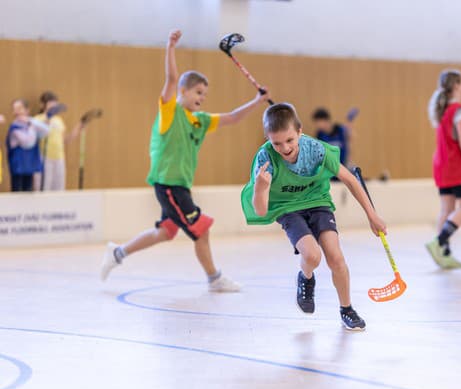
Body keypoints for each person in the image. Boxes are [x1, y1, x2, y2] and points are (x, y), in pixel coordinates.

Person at [100, 30, 270, 291]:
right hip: (168, 185)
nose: (201, 98)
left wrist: (257, 101)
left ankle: (117, 254)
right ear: (182, 90)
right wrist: (170, 46)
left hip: (179, 185)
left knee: (165, 232)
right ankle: (215, 278)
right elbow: (170, 78)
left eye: (204, 95)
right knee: (201, 229)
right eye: (198, 92)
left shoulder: (200, 120)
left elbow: (233, 117)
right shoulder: (170, 112)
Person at [241, 103, 386, 330]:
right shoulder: (265, 159)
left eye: (289, 140)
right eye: (276, 143)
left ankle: (346, 309)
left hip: (317, 202)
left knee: (336, 258)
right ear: (268, 138)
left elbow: (349, 178)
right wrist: (260, 188)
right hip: (287, 207)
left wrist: (372, 215)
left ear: (299, 131)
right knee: (313, 256)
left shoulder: (315, 149)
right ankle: (306, 278)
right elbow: (261, 210)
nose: (285, 148)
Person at [425, 69, 461, 269]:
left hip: (442, 166)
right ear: (456, 86)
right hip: (457, 167)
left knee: (447, 209)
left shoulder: (442, 112)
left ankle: (443, 253)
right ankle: (439, 242)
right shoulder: (459, 111)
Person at [34, 91, 85, 191]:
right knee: (45, 187)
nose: (53, 105)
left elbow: (65, 139)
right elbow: (38, 135)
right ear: (43, 104)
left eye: (55, 103)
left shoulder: (58, 120)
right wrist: (48, 117)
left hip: (59, 158)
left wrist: (78, 128)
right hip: (44, 158)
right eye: (50, 103)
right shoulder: (37, 119)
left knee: (59, 187)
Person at [5, 99, 50, 192]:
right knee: (17, 193)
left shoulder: (31, 123)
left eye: (20, 108)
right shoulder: (15, 127)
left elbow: (46, 131)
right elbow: (28, 143)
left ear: (27, 110)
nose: (17, 112)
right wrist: (32, 126)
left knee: (28, 192)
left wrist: (31, 121)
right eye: (15, 109)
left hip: (29, 165)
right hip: (18, 167)